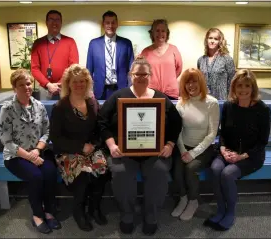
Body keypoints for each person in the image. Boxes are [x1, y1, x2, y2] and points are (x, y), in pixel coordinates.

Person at [98, 56, 182, 235]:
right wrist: (112, 145)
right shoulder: (118, 96)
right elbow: (101, 122)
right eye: (137, 74)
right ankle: (127, 214)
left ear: (150, 75)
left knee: (159, 171)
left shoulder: (161, 98)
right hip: (123, 151)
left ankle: (151, 215)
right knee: (121, 173)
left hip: (155, 152)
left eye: (145, 74)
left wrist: (170, 144)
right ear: (130, 75)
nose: (141, 77)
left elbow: (176, 122)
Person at [204, 69, 271, 231]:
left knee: (228, 174)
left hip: (252, 155)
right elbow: (224, 134)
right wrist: (223, 149)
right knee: (215, 168)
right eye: (239, 85)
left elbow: (262, 142)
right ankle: (220, 209)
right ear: (234, 87)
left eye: (247, 85)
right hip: (229, 150)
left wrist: (241, 157)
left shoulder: (262, 110)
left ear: (253, 87)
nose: (243, 89)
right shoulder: (229, 106)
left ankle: (230, 213)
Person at [0, 69, 61, 234]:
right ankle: (38, 215)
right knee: (35, 176)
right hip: (15, 155)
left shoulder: (39, 106)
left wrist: (37, 150)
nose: (26, 87)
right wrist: (30, 156)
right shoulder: (7, 109)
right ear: (14, 88)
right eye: (21, 85)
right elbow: (6, 140)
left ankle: (49, 211)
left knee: (50, 172)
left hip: (38, 151)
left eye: (28, 83)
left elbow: (47, 131)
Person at [49, 64, 108, 232]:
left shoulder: (92, 102)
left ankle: (94, 208)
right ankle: (79, 211)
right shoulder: (60, 107)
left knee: (103, 170)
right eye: (75, 81)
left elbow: (99, 129)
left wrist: (94, 145)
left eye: (83, 81)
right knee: (82, 175)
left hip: (91, 149)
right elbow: (55, 138)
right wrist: (81, 146)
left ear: (87, 83)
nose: (79, 85)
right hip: (68, 152)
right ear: (68, 83)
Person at [171, 68, 220, 220]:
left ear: (201, 82)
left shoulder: (211, 103)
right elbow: (177, 131)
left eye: (194, 81)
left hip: (204, 148)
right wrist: (183, 150)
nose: (191, 85)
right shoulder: (181, 104)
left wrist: (193, 153)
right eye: (187, 82)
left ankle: (193, 201)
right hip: (183, 147)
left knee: (190, 169)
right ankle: (183, 198)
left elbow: (212, 133)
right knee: (176, 169)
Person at [31, 9, 79, 100]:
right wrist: (48, 84)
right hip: (45, 88)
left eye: (57, 20)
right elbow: (34, 68)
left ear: (61, 22)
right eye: (51, 19)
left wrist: (61, 83)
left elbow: (73, 66)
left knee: (66, 113)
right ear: (46, 22)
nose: (54, 22)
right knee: (45, 113)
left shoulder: (70, 42)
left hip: (65, 88)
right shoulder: (38, 43)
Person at [87, 10, 134, 100]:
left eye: (113, 22)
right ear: (103, 24)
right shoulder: (93, 44)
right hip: (100, 90)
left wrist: (130, 89)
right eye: (107, 23)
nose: (110, 26)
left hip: (121, 89)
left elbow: (131, 70)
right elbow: (89, 70)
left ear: (117, 24)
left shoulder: (126, 43)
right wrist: (89, 90)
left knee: (120, 114)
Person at [141, 19, 182, 100]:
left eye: (163, 31)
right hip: (151, 93)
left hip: (171, 93)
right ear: (152, 33)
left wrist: (168, 80)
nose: (160, 33)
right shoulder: (145, 52)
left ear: (167, 33)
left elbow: (178, 69)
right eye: (157, 30)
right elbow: (142, 72)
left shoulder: (174, 49)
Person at [197, 28, 235, 100]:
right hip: (205, 100)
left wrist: (230, 101)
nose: (212, 41)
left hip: (221, 100)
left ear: (220, 41)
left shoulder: (227, 59)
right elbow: (199, 82)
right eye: (210, 38)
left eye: (216, 39)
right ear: (206, 40)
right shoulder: (201, 60)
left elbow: (232, 83)